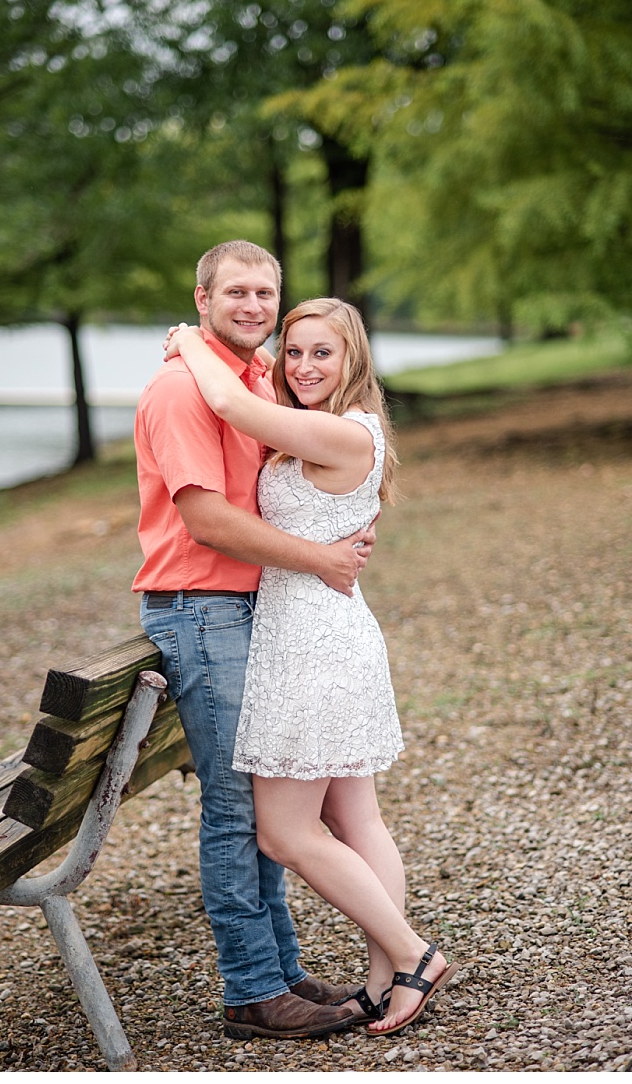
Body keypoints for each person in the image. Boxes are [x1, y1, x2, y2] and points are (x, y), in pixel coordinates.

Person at [165, 296, 458, 1036]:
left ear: (353, 356)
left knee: (284, 833)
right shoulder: (342, 431)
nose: (303, 367)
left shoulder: (341, 433)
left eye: (321, 352)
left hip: (311, 646)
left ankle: (412, 952)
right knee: (356, 816)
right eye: (293, 352)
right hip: (322, 631)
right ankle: (386, 982)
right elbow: (253, 394)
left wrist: (185, 338)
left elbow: (229, 399)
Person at [135, 241, 375, 1040]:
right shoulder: (182, 390)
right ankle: (250, 988)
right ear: (200, 297)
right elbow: (204, 519)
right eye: (234, 291)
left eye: (265, 292)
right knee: (238, 809)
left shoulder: (244, 376)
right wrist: (325, 558)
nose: (252, 305)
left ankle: (280, 969)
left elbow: (294, 396)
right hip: (200, 608)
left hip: (248, 611)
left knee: (262, 798)